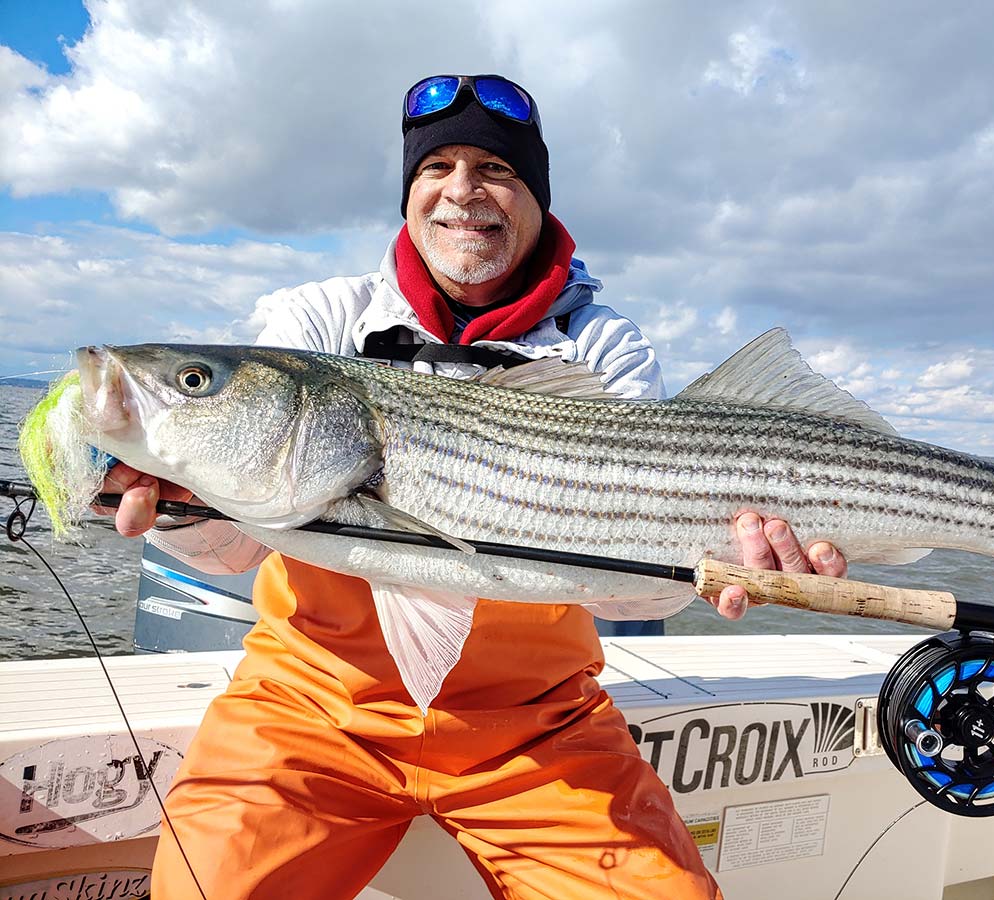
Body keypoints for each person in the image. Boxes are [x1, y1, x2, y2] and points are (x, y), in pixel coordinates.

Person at [100, 74, 848, 900]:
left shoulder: (605, 350)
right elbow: (238, 545)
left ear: (536, 197)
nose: (462, 189)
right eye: (437, 167)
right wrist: (170, 505)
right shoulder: (315, 323)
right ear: (409, 196)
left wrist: (724, 569)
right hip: (309, 705)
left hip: (539, 726)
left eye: (495, 167)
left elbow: (630, 600)